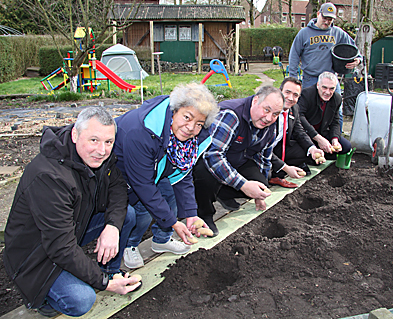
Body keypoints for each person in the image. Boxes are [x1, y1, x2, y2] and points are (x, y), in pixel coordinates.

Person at [3, 107, 140, 318]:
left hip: (70, 229)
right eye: (93, 140)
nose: (102, 150)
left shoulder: (99, 158)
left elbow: (118, 188)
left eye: (108, 142)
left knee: (126, 215)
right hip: (35, 252)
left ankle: (111, 271)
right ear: (75, 135)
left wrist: (112, 227)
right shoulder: (49, 176)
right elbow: (60, 246)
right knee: (81, 300)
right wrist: (104, 285)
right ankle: (44, 299)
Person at [113, 83, 219, 266]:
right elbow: (144, 186)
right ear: (174, 111)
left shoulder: (187, 139)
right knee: (143, 207)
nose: (191, 128)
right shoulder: (143, 131)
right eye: (187, 117)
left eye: (199, 124)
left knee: (169, 192)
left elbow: (183, 173)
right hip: (118, 170)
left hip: (154, 167)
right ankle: (130, 244)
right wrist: (173, 222)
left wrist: (190, 214)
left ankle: (161, 241)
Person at [193, 85, 284, 236]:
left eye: (275, 114)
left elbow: (264, 159)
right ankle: (204, 213)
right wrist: (243, 184)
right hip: (211, 160)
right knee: (206, 174)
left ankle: (222, 192)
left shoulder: (271, 125)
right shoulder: (232, 114)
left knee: (263, 182)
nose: (269, 118)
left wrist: (259, 193)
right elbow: (213, 155)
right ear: (255, 101)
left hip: (237, 159)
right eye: (266, 110)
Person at [288, 2, 362, 129]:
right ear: (318, 14)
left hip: (331, 78)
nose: (327, 22)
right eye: (325, 18)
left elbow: (354, 50)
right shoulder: (304, 33)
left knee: (336, 110)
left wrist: (358, 60)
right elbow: (294, 55)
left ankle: (336, 139)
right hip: (310, 78)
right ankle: (306, 139)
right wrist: (293, 79)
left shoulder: (338, 33)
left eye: (330, 19)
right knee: (306, 110)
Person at [270, 77, 325, 188]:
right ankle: (275, 172)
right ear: (279, 91)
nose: (291, 98)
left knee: (306, 154)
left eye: (295, 95)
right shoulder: (269, 110)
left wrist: (312, 148)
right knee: (260, 179)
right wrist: (285, 167)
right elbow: (261, 146)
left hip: (277, 147)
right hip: (260, 150)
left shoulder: (294, 109)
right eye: (287, 92)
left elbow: (299, 132)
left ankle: (278, 170)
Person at [298, 71, 352, 159]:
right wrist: (318, 138)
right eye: (324, 87)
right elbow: (300, 117)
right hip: (306, 132)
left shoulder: (336, 98)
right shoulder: (307, 94)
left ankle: (322, 152)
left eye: (331, 89)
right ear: (318, 85)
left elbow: (335, 121)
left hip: (322, 131)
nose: (327, 92)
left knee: (346, 146)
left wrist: (335, 139)